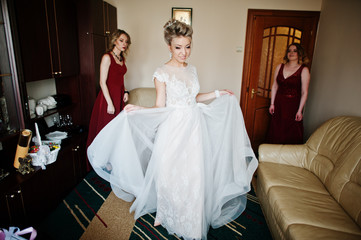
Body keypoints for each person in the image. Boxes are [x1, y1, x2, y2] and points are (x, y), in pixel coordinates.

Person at [87, 20, 258, 240]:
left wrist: (217, 93)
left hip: (194, 125)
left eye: (188, 46)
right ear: (169, 46)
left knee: (193, 172)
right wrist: (138, 108)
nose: (184, 52)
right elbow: (160, 106)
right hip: (174, 127)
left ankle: (193, 219)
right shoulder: (161, 72)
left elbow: (193, 97)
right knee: (169, 171)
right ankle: (165, 211)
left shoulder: (193, 69)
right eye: (178, 47)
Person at [86, 29, 131, 170]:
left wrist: (126, 92)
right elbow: (102, 82)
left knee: (115, 131)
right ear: (114, 41)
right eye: (121, 40)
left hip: (119, 98)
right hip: (107, 99)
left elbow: (119, 80)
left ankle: (111, 160)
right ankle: (102, 161)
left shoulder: (122, 58)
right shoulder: (107, 57)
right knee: (105, 131)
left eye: (126, 42)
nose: (124, 44)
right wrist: (110, 103)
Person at [266, 43, 311, 144]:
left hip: (293, 106)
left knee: (290, 130)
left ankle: (288, 156)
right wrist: (272, 103)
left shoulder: (304, 70)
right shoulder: (280, 67)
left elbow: (304, 92)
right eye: (289, 50)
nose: (291, 53)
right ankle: (272, 154)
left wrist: (300, 111)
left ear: (300, 54)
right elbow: (274, 86)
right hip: (279, 104)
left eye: (295, 51)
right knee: (276, 129)